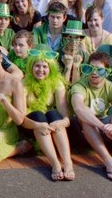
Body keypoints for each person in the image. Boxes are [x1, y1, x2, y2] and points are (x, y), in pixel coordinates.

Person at [69, 53, 112, 183]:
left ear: (107, 71)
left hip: (104, 128)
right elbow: (79, 108)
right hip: (83, 131)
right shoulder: (80, 86)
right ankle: (108, 161)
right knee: (86, 118)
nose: (94, 73)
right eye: (90, 68)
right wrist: (104, 128)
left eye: (100, 70)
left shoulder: (111, 87)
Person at [21, 51, 74, 181]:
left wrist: (61, 123)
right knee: (39, 115)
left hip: (51, 126)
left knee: (54, 114)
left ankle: (67, 163)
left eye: (45, 66)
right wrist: (38, 125)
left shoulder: (57, 83)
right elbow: (21, 118)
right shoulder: (23, 83)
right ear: (31, 67)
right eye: (37, 66)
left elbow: (65, 116)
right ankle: (55, 164)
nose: (41, 70)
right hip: (31, 125)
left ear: (50, 68)